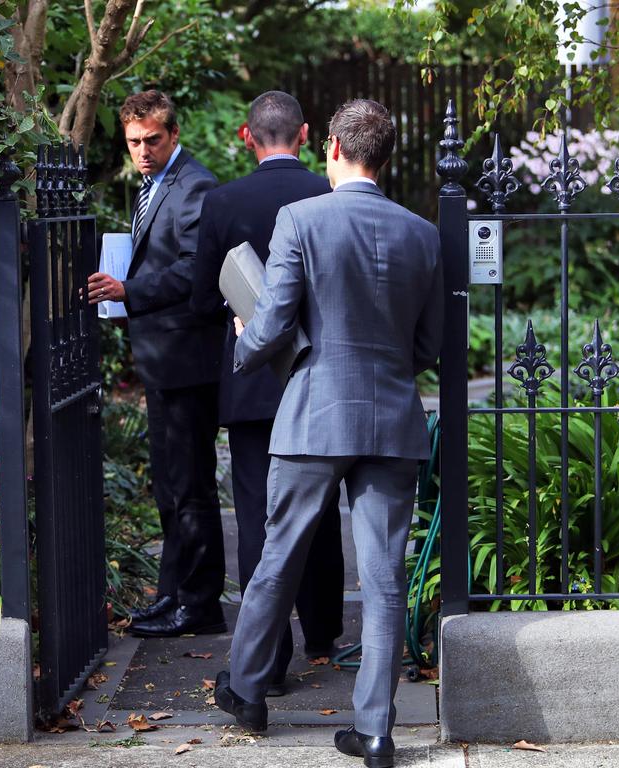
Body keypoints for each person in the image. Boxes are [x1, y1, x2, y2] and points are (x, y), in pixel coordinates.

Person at [213, 99, 443, 768]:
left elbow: (276, 317)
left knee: (277, 557)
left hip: (314, 414)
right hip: (393, 418)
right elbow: (428, 344)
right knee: (383, 577)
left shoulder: (301, 219)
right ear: (385, 156)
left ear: (333, 149)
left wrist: (244, 341)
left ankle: (249, 693)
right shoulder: (422, 233)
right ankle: (375, 731)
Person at [190, 91, 344, 693]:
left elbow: (203, 298)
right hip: (320, 373)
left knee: (258, 514)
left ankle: (269, 660)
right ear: (306, 135)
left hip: (254, 377)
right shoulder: (328, 194)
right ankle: (325, 629)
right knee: (323, 503)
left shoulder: (223, 201)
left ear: (244, 137)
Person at [86, 90, 225, 638]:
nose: (142, 151)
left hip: (188, 361)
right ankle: (174, 596)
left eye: (151, 141)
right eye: (133, 142)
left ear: (172, 133)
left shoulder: (195, 185)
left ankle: (199, 603)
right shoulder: (155, 183)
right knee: (170, 485)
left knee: (190, 486)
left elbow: (196, 269)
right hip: (164, 359)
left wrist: (129, 289)